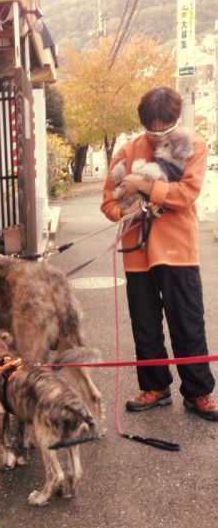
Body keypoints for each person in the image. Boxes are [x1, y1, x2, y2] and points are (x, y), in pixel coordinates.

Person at [101, 85, 217, 421]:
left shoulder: (193, 145)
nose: (156, 135)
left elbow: (185, 195)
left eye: (163, 129)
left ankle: (198, 391)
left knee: (188, 323)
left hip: (178, 251)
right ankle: (155, 387)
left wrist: (144, 186)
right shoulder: (126, 151)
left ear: (175, 120)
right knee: (145, 325)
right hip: (137, 253)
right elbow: (108, 203)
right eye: (150, 129)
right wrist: (127, 208)